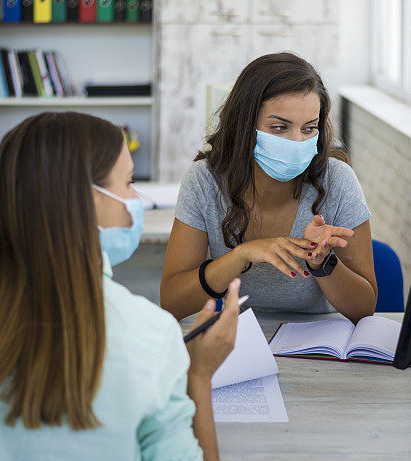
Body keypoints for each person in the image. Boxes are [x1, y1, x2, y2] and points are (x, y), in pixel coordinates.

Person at [0, 112, 239, 461]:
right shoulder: (148, 334)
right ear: (86, 198)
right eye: (129, 183)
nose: (136, 199)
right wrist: (197, 373)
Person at [160, 53, 377, 323]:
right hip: (241, 335)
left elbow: (365, 307)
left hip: (320, 341)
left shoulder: (338, 181)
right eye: (279, 127)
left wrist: (322, 263)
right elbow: (172, 302)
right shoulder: (205, 181)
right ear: (244, 124)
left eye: (309, 128)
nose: (297, 141)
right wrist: (240, 255)